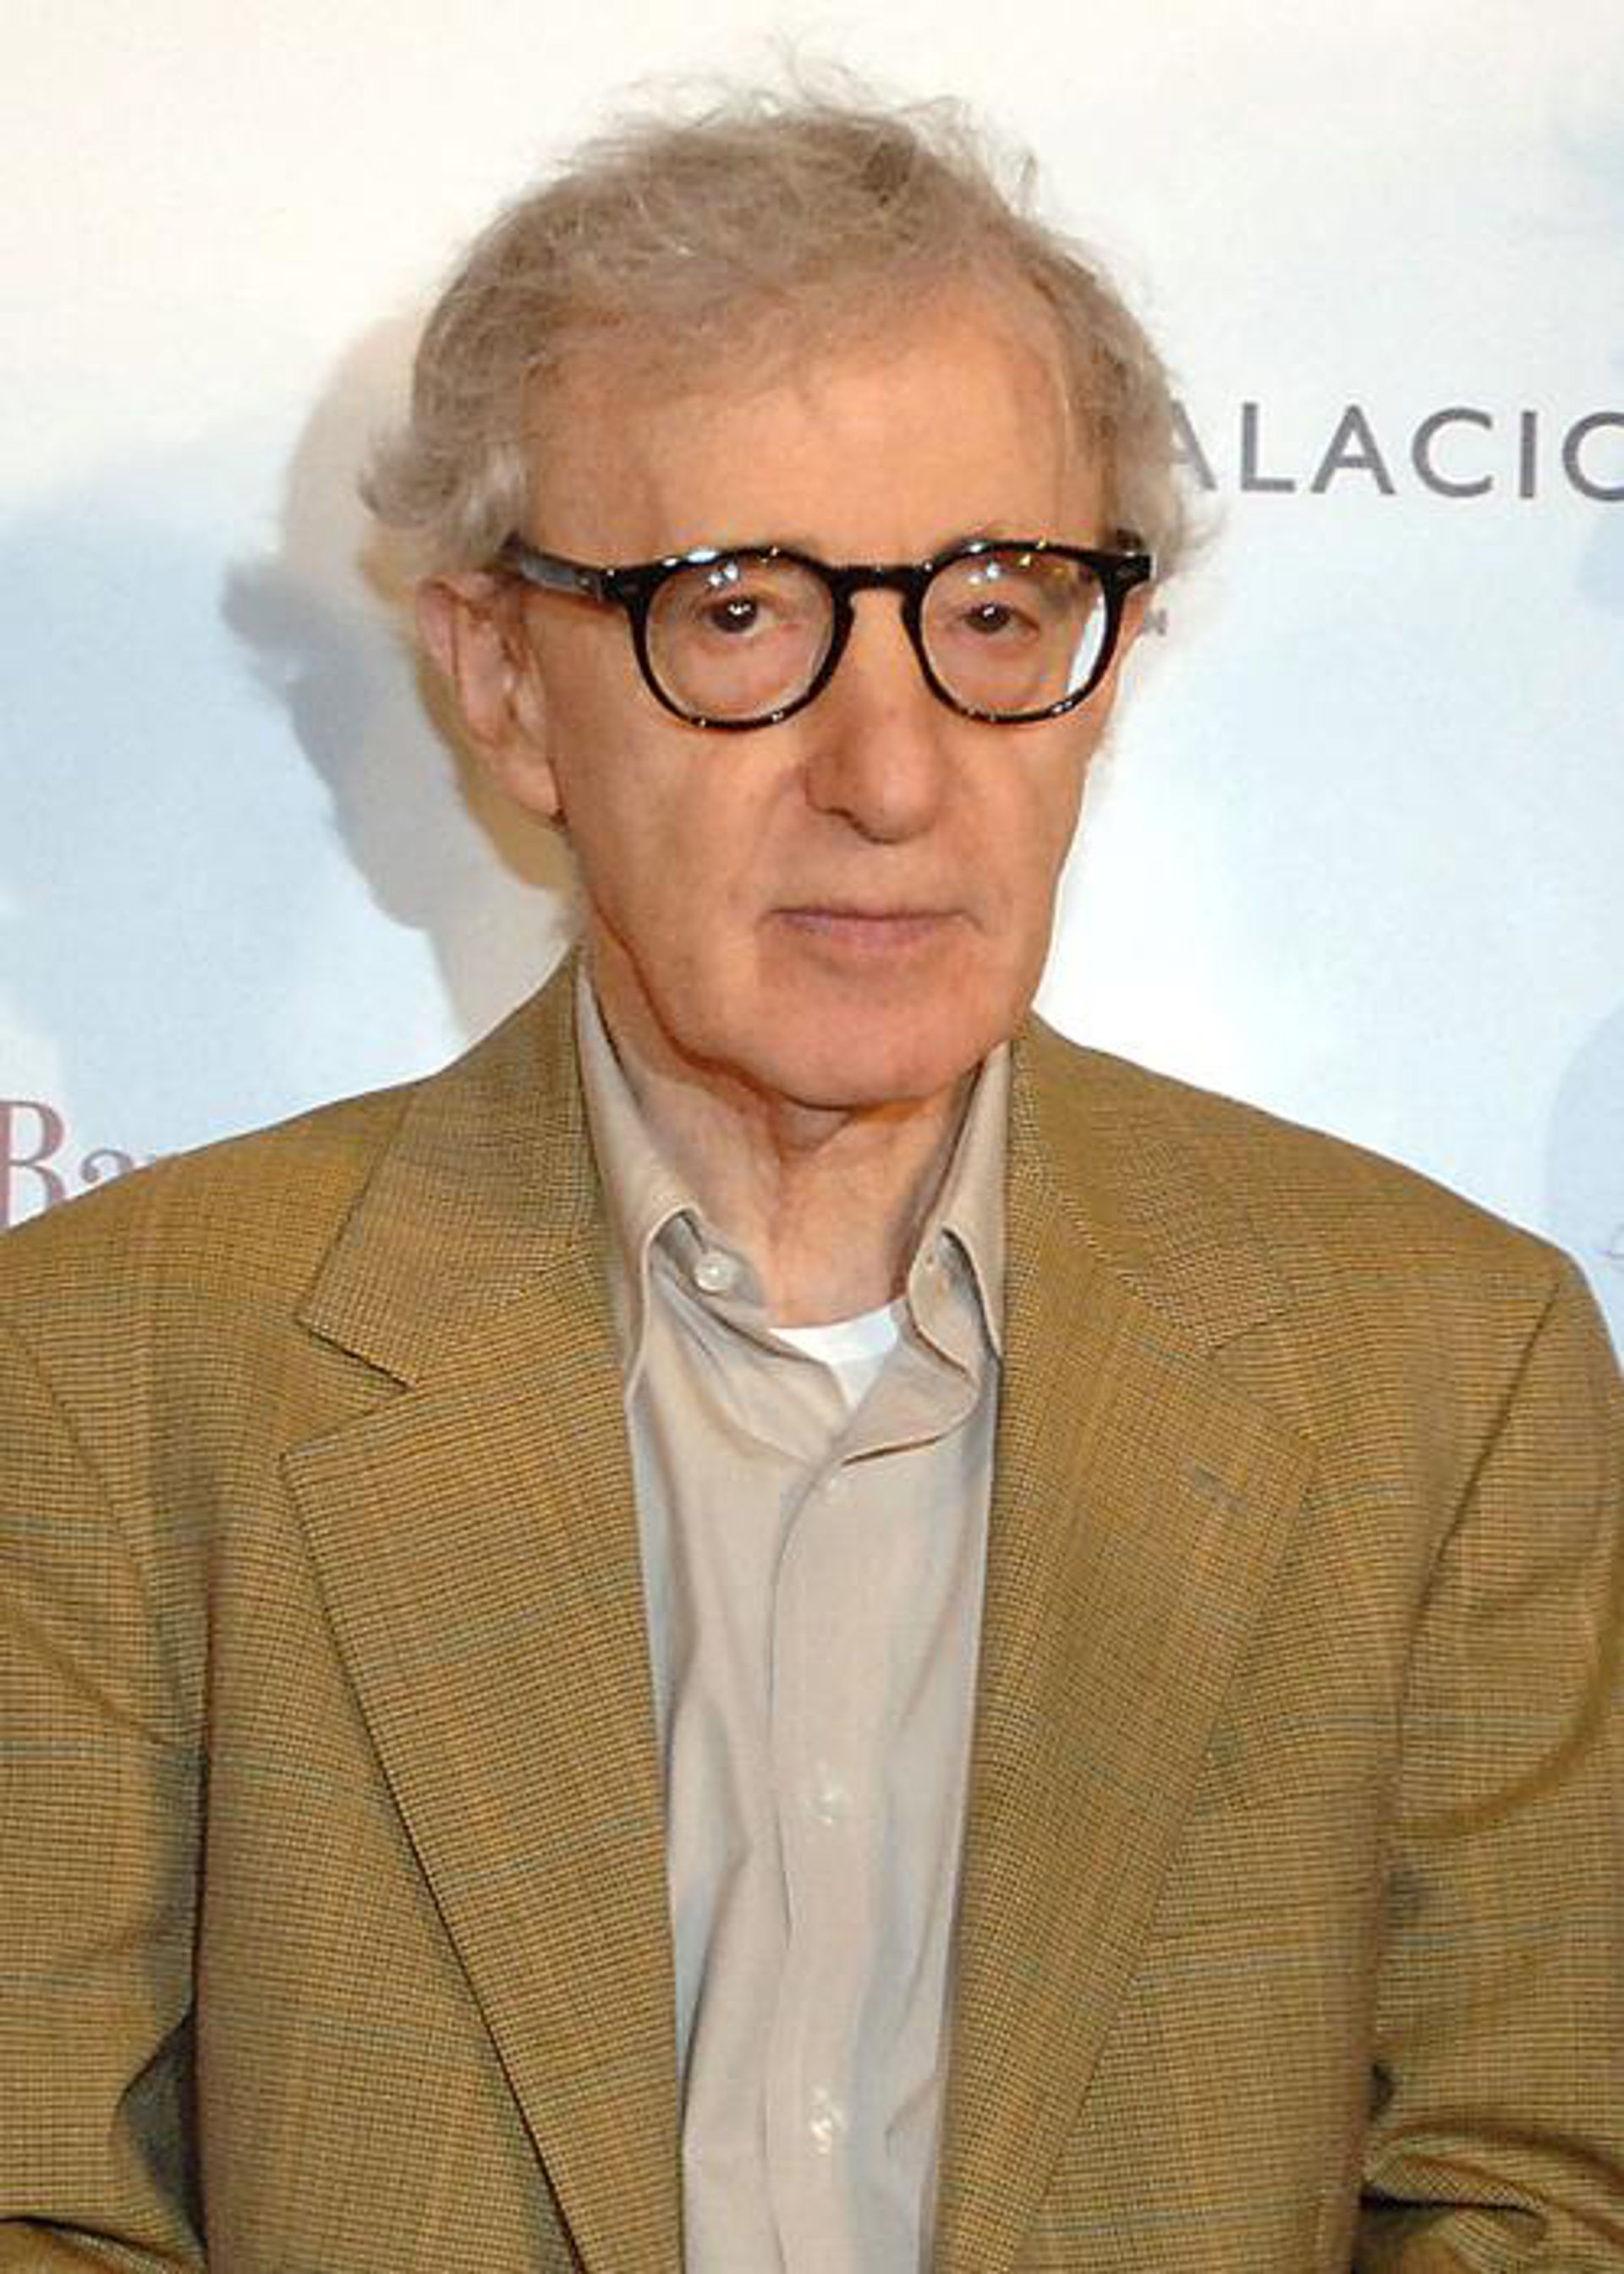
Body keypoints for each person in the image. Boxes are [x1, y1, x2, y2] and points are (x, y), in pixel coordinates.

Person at [1, 87, 1620, 2274]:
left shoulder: (1445, 1371)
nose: (889, 778)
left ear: (1105, 669)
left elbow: (1540, 2203)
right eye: (742, 616)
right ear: (504, 683)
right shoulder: (113, 1370)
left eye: (995, 612)